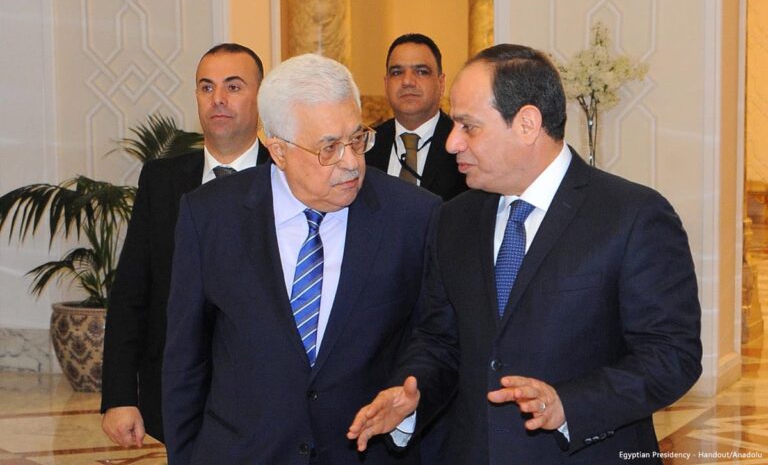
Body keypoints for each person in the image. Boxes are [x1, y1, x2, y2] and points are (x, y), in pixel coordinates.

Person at [348, 44, 703, 464]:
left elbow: (672, 356)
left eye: (468, 126)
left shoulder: (632, 216)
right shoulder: (454, 219)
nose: (452, 142)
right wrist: (412, 394)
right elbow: (439, 340)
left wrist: (569, 404)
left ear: (527, 124)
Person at [162, 53, 440, 464]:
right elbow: (185, 361)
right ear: (278, 150)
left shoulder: (414, 216)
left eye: (356, 140)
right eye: (329, 148)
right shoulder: (210, 216)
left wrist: (408, 390)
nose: (351, 162)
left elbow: (434, 337)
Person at [100, 43, 269, 447]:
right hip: (177, 399)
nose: (218, 99)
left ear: (261, 97)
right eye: (207, 87)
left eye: (233, 87)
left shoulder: (288, 178)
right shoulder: (161, 180)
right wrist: (120, 396)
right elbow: (131, 294)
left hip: (266, 400)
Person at [366, 33, 467, 201]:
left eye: (421, 72)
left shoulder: (463, 145)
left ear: (441, 83)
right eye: (397, 72)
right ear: (386, 84)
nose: (407, 81)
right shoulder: (366, 146)